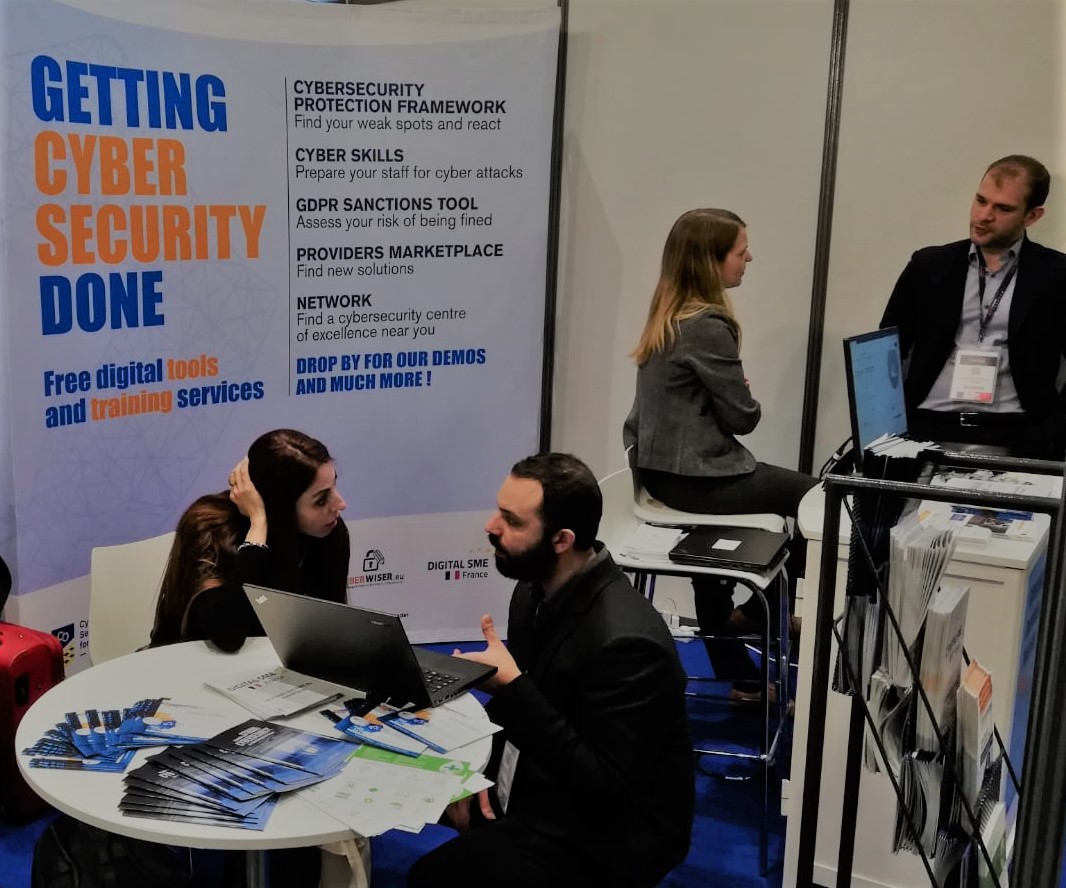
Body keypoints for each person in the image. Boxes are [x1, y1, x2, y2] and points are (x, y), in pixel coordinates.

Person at [408, 453, 693, 888]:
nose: (491, 526)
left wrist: (512, 688)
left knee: (432, 879)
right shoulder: (532, 591)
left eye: (511, 521)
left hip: (612, 834)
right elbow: (536, 718)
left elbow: (608, 790)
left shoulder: (627, 643)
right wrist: (475, 775)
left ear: (561, 540)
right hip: (549, 780)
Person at [623, 208, 816, 701]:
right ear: (711, 261)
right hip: (696, 478)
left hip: (662, 475)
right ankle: (756, 613)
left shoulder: (669, 313)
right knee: (821, 499)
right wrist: (741, 394)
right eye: (740, 251)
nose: (749, 258)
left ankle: (743, 674)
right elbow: (743, 417)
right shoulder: (707, 326)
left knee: (712, 561)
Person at [881, 155, 1066, 460]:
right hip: (927, 428)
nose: (984, 215)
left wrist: (1053, 431)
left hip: (1017, 433)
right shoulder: (928, 266)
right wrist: (885, 426)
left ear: (1032, 216)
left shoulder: (1056, 275)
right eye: (981, 200)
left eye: (1003, 208)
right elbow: (886, 349)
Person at [150, 428, 350, 651]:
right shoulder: (210, 528)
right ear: (280, 506)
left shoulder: (329, 530)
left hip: (272, 665)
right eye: (321, 500)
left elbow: (328, 631)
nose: (340, 504)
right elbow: (228, 635)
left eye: (334, 485)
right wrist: (259, 523)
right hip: (188, 661)